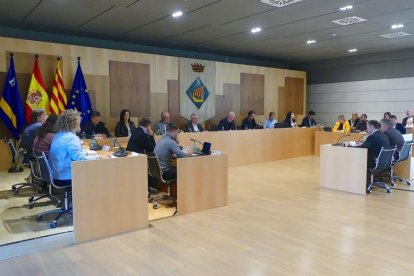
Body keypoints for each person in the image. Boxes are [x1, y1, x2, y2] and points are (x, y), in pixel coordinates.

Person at [49, 109, 101, 186]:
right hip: (66, 177)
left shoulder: (58, 135)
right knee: (97, 172)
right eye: (78, 121)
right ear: (73, 122)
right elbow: (80, 159)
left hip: (56, 174)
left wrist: (87, 152)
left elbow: (71, 154)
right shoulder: (71, 137)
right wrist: (98, 157)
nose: (79, 122)